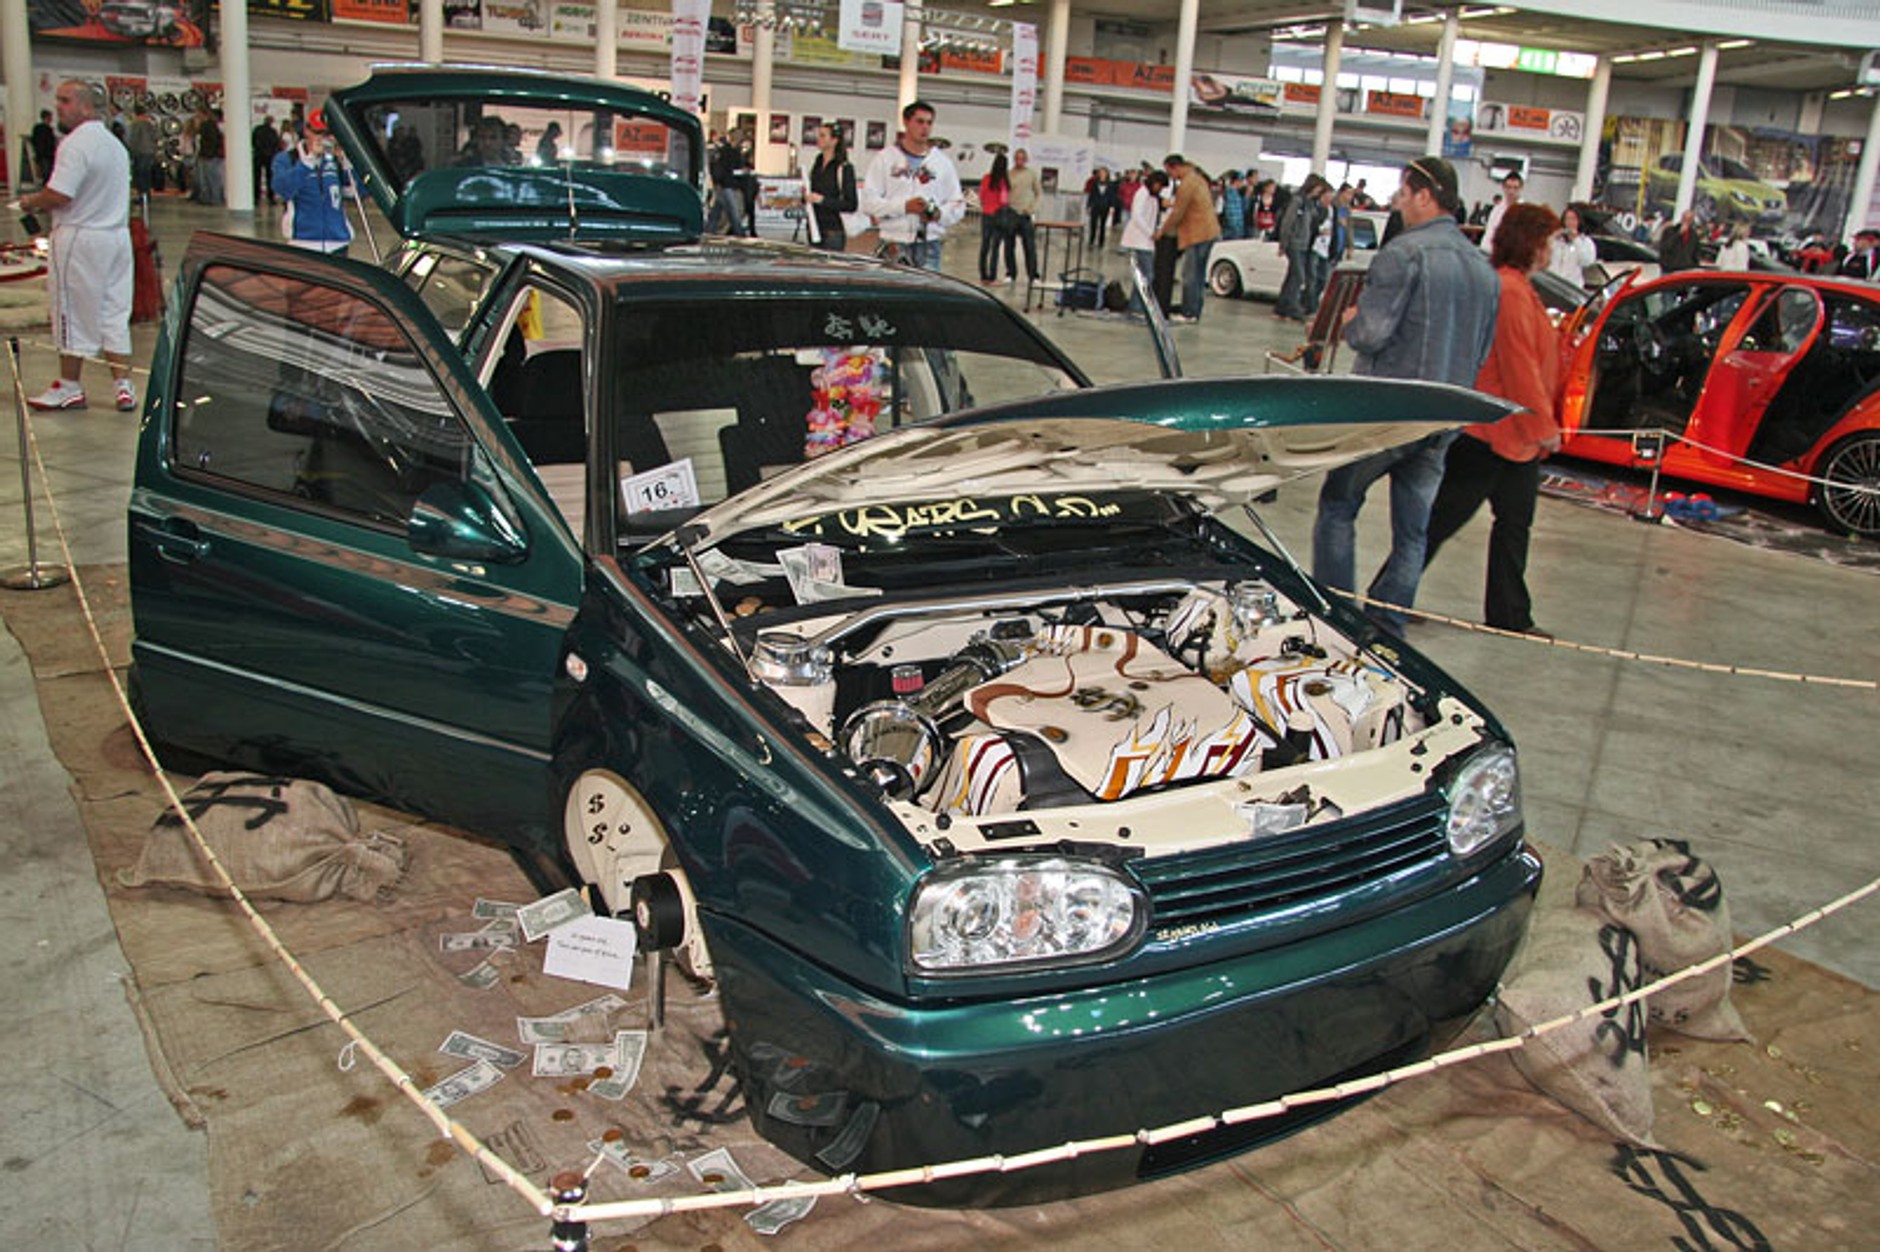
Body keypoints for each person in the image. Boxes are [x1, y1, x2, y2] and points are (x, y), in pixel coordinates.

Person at [1310, 155, 1499, 636]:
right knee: (1413, 531)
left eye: (1402, 193)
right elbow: (1480, 350)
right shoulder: (1484, 269)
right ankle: (1388, 623)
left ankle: (1335, 615)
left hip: (1387, 414)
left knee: (1338, 503)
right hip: (1442, 417)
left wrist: (1349, 320)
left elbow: (1371, 333)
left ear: (1424, 196)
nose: (1398, 203)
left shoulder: (1403, 253)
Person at [1423, 202, 1563, 637]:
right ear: (1532, 243)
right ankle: (1389, 594)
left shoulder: (1520, 288)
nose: (1553, 251)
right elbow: (1520, 367)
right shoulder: (1511, 292)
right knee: (1441, 522)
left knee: (1514, 527)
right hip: (1490, 435)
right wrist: (1545, 427)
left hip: (1515, 441)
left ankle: (1510, 616)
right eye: (1550, 242)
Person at [17, 81, 136, 413]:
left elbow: (60, 194)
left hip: (80, 237)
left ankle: (69, 386)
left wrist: (30, 201)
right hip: (116, 237)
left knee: (70, 310)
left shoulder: (76, 144)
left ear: (86, 106)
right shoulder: (115, 146)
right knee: (114, 311)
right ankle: (123, 384)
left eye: (65, 100)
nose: (58, 106)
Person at [860, 99, 964, 271]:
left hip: (929, 245)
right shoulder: (885, 159)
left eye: (929, 123)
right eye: (920, 122)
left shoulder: (942, 163)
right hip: (893, 244)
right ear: (906, 122)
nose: (925, 128)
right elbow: (868, 203)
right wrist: (903, 207)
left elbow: (957, 204)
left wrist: (938, 214)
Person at [273, 117, 353, 255]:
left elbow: (354, 192)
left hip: (338, 240)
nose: (322, 138)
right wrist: (307, 163)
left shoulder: (335, 160)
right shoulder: (288, 159)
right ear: (306, 131)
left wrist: (347, 163)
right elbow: (283, 190)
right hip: (303, 241)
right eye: (318, 133)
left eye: (327, 134)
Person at [1157, 153, 1221, 324]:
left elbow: (1178, 213)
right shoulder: (1197, 178)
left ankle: (1188, 312)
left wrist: (1161, 231)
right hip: (1209, 232)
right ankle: (1194, 311)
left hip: (1198, 235)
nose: (1170, 176)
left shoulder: (1187, 184)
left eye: (1169, 172)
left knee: (1190, 275)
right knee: (1199, 276)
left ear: (1175, 167)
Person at [1273, 173, 1325, 321]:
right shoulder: (1297, 200)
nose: (1318, 192)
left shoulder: (1308, 203)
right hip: (1294, 243)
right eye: (1317, 189)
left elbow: (1314, 219)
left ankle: (1282, 306)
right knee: (1298, 275)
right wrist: (1283, 243)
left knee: (1292, 275)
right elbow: (1287, 222)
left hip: (1303, 243)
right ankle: (1292, 306)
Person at [1119, 169, 1168, 313]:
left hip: (1145, 241)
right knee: (1146, 275)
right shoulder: (1142, 194)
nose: (1160, 189)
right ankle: (1136, 307)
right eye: (1160, 186)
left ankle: (1136, 306)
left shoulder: (1152, 197)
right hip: (1139, 240)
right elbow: (1137, 216)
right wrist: (1150, 232)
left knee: (1143, 276)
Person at [806, 122, 857, 252]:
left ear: (834, 140)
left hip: (832, 231)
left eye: (823, 136)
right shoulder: (818, 163)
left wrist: (823, 200)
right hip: (814, 228)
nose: (818, 139)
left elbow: (851, 204)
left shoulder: (844, 168)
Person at [1005, 147, 1042, 282]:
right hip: (1010, 213)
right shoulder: (1008, 174)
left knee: (1029, 246)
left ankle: (1033, 275)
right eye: (1017, 158)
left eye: (1022, 158)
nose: (1019, 161)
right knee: (1009, 246)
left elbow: (1038, 193)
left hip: (1025, 214)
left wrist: (1032, 208)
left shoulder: (1031, 174)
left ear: (1026, 160)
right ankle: (1010, 273)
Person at [705, 128, 749, 235]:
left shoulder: (724, 151)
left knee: (717, 210)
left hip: (722, 185)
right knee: (733, 212)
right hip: (728, 185)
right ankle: (739, 233)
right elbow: (731, 169)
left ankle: (709, 230)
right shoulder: (732, 152)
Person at [977, 152, 1012, 281]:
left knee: (984, 246)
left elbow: (981, 196)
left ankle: (983, 274)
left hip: (987, 215)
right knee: (995, 247)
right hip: (999, 216)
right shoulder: (1004, 182)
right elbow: (1004, 201)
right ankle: (992, 275)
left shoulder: (986, 178)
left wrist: (987, 205)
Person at [1546, 205, 1597, 285]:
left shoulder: (1585, 242)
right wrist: (1553, 236)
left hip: (1572, 285)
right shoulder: (1557, 240)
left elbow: (1586, 261)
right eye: (1567, 219)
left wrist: (1575, 239)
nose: (1570, 222)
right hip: (1553, 283)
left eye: (1573, 219)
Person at [1479, 170, 1522, 255]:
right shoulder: (1496, 210)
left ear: (1521, 188)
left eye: (1515, 188)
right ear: (1503, 187)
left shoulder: (1525, 211)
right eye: (1508, 187)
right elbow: (1489, 234)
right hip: (1494, 254)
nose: (1511, 192)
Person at [126, 104, 159, 198]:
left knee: (140, 174)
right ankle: (147, 194)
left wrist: (130, 151)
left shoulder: (136, 123)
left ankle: (141, 195)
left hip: (140, 151)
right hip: (150, 151)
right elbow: (156, 136)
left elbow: (133, 139)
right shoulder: (150, 122)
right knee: (147, 174)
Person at [194, 107, 225, 206]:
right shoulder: (214, 126)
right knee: (212, 178)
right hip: (212, 155)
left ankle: (214, 199)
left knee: (211, 178)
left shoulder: (207, 125)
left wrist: (208, 153)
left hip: (208, 155)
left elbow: (211, 141)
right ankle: (213, 198)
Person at [252, 114, 280, 205]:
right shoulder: (273, 132)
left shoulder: (257, 130)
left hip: (258, 155)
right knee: (270, 177)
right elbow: (276, 144)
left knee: (257, 177)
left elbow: (253, 141)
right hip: (269, 156)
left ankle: (256, 197)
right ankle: (271, 197)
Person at [1085, 168, 1116, 248]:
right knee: (1093, 224)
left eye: (1104, 173)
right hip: (1095, 206)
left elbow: (1112, 196)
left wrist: (1112, 206)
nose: (1102, 174)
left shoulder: (1110, 185)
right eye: (1101, 173)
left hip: (1105, 206)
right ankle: (1091, 241)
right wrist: (1088, 206)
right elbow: (1091, 195)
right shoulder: (1095, 184)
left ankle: (1101, 242)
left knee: (1102, 225)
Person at [30, 110, 58, 186]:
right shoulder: (47, 129)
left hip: (42, 153)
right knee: (47, 172)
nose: (51, 119)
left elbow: (34, 140)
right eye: (50, 117)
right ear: (47, 117)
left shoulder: (37, 128)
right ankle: (46, 186)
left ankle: (45, 186)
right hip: (46, 154)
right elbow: (50, 142)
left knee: (45, 172)